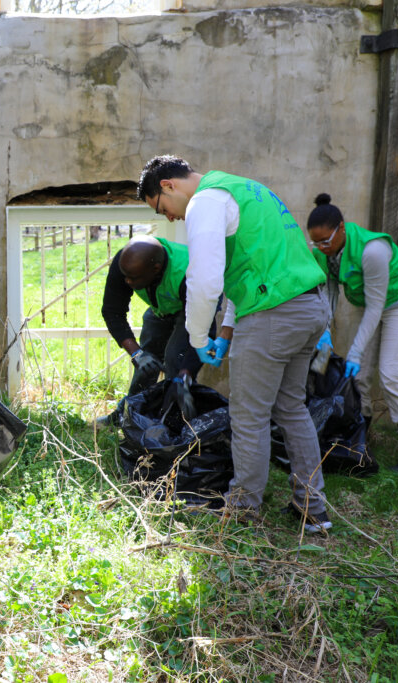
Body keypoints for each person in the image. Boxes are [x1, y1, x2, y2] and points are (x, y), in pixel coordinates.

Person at [138, 155, 333, 533]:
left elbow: (206, 280)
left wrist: (197, 337)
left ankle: (243, 510)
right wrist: (226, 331)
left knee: (249, 416)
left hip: (272, 315)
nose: (171, 219)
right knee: (291, 407)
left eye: (163, 209)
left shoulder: (204, 203)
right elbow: (250, 265)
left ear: (168, 186)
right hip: (310, 306)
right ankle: (313, 509)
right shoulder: (246, 189)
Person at [307, 193, 398, 471]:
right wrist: (324, 332)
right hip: (373, 305)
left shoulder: (372, 251)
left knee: (391, 374)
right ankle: (358, 443)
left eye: (326, 241)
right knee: (358, 377)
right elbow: (328, 296)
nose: (321, 247)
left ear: (341, 228)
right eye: (316, 242)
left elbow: (376, 307)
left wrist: (354, 352)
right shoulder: (322, 253)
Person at [94, 235, 214, 428]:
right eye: (125, 276)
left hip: (193, 310)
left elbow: (204, 331)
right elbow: (112, 311)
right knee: (147, 362)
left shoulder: (189, 274)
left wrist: (185, 375)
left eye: (133, 278)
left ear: (156, 269)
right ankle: (128, 416)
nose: (127, 281)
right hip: (161, 309)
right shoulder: (125, 263)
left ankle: (172, 426)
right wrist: (137, 354)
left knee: (176, 360)